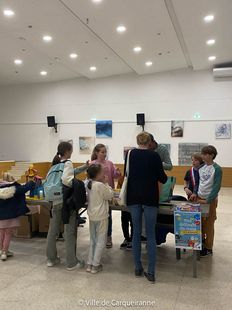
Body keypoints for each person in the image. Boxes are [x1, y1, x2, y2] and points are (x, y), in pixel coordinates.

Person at [125, 132, 167, 283]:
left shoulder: (130, 154)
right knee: (150, 234)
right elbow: (163, 178)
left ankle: (137, 268)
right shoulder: (154, 156)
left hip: (133, 196)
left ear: (137, 141)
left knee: (136, 232)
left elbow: (126, 174)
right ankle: (151, 271)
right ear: (150, 142)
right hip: (150, 197)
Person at [46, 141, 89, 270]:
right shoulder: (68, 163)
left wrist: (84, 167)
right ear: (67, 151)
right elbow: (67, 179)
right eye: (71, 150)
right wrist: (76, 184)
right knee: (69, 231)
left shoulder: (55, 165)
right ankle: (71, 263)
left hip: (54, 201)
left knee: (52, 231)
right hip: (66, 202)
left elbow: (69, 173)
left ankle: (51, 259)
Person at [91, 144, 121, 248]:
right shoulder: (93, 164)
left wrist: (118, 172)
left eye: (105, 152)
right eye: (102, 152)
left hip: (108, 193)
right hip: (96, 194)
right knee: (97, 215)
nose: (104, 154)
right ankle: (97, 237)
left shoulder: (110, 163)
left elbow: (116, 176)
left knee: (108, 216)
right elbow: (89, 178)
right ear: (96, 153)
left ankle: (108, 237)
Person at [0, 173, 35, 261]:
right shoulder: (15, 188)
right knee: (8, 234)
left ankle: (1, 250)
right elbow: (27, 187)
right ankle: (5, 252)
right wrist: (31, 181)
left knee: (1, 233)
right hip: (11, 216)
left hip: (0, 216)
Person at [86, 164, 114, 274]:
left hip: (92, 216)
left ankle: (90, 263)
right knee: (101, 241)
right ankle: (96, 265)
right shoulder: (100, 185)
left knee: (93, 240)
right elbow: (109, 195)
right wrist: (107, 183)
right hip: (101, 216)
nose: (104, 174)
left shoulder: (90, 184)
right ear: (98, 175)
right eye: (103, 172)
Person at [195, 145, 222, 257]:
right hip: (199, 199)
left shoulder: (217, 169)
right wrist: (196, 194)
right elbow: (199, 183)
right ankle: (201, 244)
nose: (203, 156)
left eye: (206, 154)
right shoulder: (201, 168)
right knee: (199, 223)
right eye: (203, 154)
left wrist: (208, 200)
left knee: (209, 225)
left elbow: (216, 186)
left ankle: (208, 247)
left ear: (212, 155)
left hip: (210, 200)